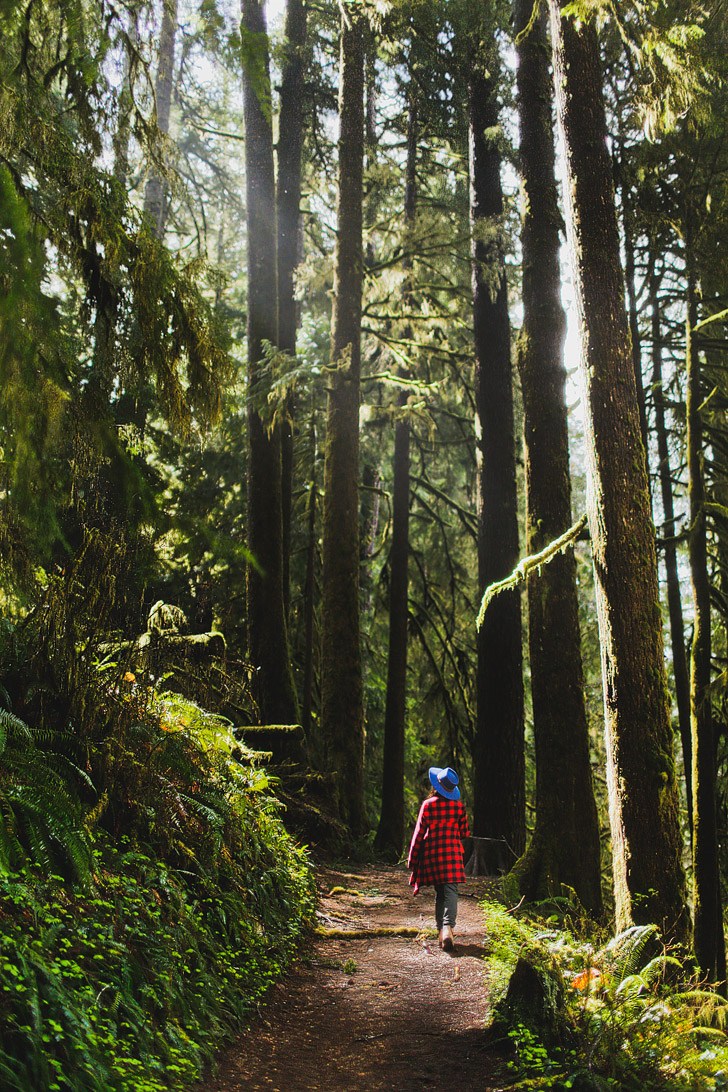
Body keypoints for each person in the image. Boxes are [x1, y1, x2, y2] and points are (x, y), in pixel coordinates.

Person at [407, 765, 470, 952]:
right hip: (452, 854)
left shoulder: (428, 805)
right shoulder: (459, 807)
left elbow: (418, 833)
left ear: (437, 785)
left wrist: (412, 858)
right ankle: (447, 929)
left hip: (433, 854)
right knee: (450, 890)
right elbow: (464, 832)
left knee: (440, 893)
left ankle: (440, 930)